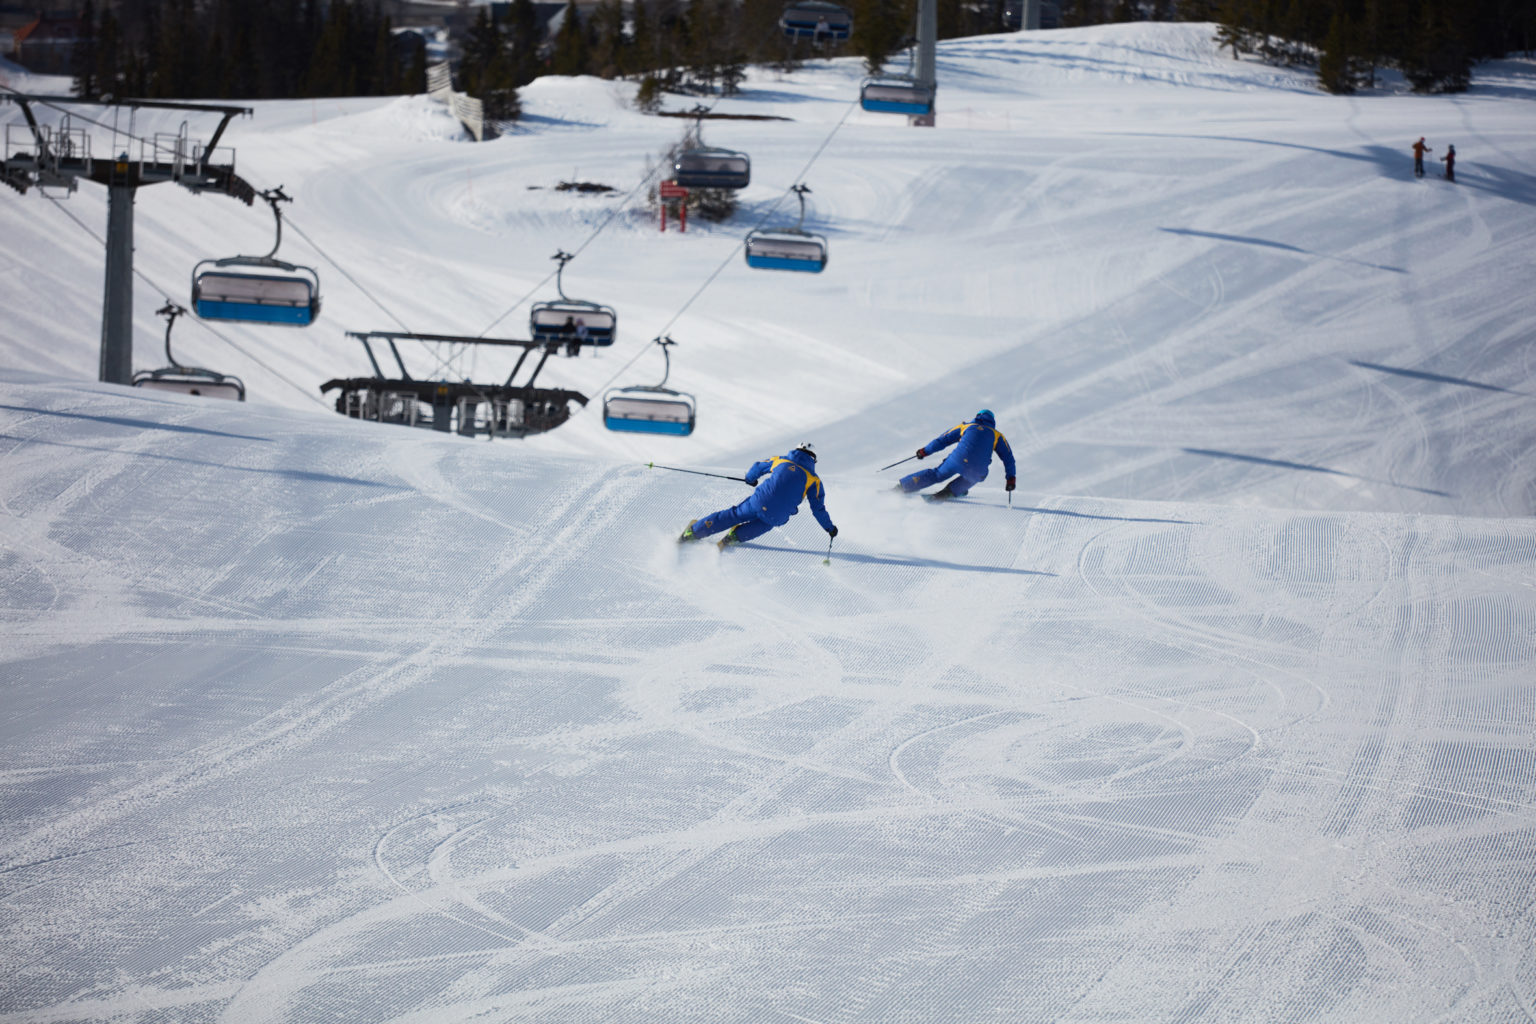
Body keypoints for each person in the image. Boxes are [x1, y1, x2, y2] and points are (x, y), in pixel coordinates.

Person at [680, 442, 838, 549]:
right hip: (779, 515)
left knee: (734, 515)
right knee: (767, 523)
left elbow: (758, 467)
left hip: (759, 501)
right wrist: (829, 528)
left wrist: (750, 479)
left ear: (796, 450)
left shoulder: (781, 460)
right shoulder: (814, 481)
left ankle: (693, 532)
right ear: (813, 459)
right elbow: (818, 509)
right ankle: (735, 537)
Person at [898, 409, 1017, 500]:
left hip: (957, 460)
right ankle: (952, 491)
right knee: (978, 475)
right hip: (977, 469)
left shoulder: (967, 426)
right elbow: (1009, 459)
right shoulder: (997, 435)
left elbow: (942, 440)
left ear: (977, 417)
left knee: (937, 474)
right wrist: (1011, 479)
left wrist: (924, 451)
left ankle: (904, 487)